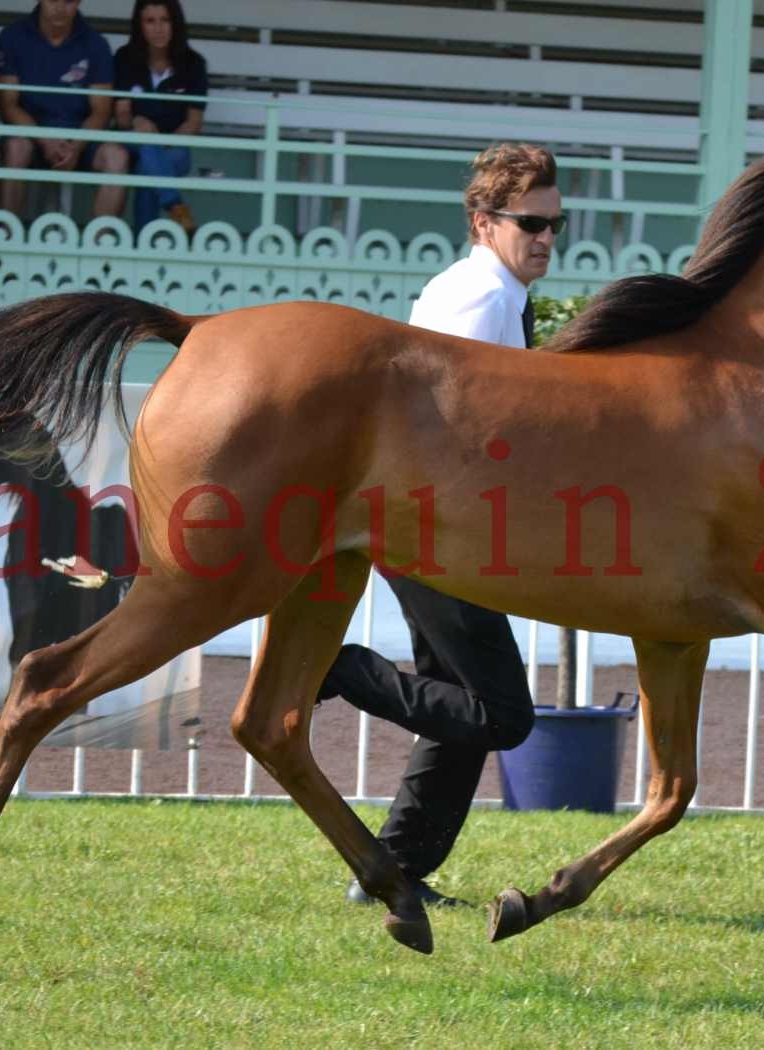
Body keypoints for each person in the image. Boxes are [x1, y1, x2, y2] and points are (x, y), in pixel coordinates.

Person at [321, 143, 566, 906]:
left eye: (556, 224)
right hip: (435, 529)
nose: (547, 239)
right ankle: (339, 668)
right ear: (483, 222)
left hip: (439, 524)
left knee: (460, 704)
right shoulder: (481, 298)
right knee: (500, 714)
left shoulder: (492, 291)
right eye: (531, 223)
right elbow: (439, 422)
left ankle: (392, 874)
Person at [0, 0, 127, 220]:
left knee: (117, 157)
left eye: (68, 1)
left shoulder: (95, 43)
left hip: (81, 141)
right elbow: (8, 105)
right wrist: (45, 141)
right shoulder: (12, 37)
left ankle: (99, 249)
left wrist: (75, 147)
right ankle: (5, 242)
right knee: (16, 147)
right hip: (31, 137)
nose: (60, 8)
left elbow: (101, 111)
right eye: (53, 0)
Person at [113, 0, 206, 236]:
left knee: (149, 164)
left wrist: (158, 144)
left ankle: (142, 241)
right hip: (132, 141)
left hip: (175, 148)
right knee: (146, 156)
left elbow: (193, 123)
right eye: (150, 21)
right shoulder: (125, 58)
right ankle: (176, 208)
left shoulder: (193, 64)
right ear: (139, 25)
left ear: (176, 24)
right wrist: (136, 122)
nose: (158, 28)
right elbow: (122, 116)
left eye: (165, 20)